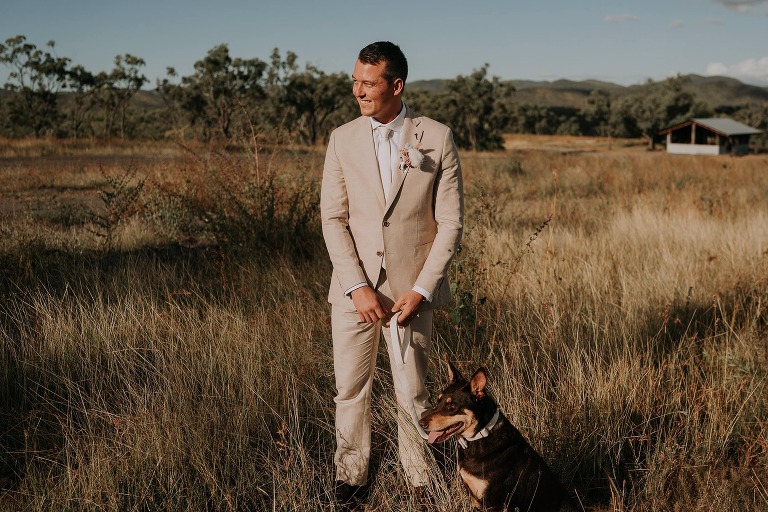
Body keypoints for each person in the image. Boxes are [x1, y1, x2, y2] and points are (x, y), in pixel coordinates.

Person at [320, 41, 464, 509]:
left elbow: (451, 223)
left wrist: (421, 289)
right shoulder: (342, 138)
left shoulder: (436, 138)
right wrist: (358, 286)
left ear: (396, 85)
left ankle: (422, 482)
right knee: (350, 389)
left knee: (414, 391)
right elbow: (333, 219)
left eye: (368, 82)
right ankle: (351, 479)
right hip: (353, 290)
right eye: (355, 80)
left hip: (410, 291)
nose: (357, 89)